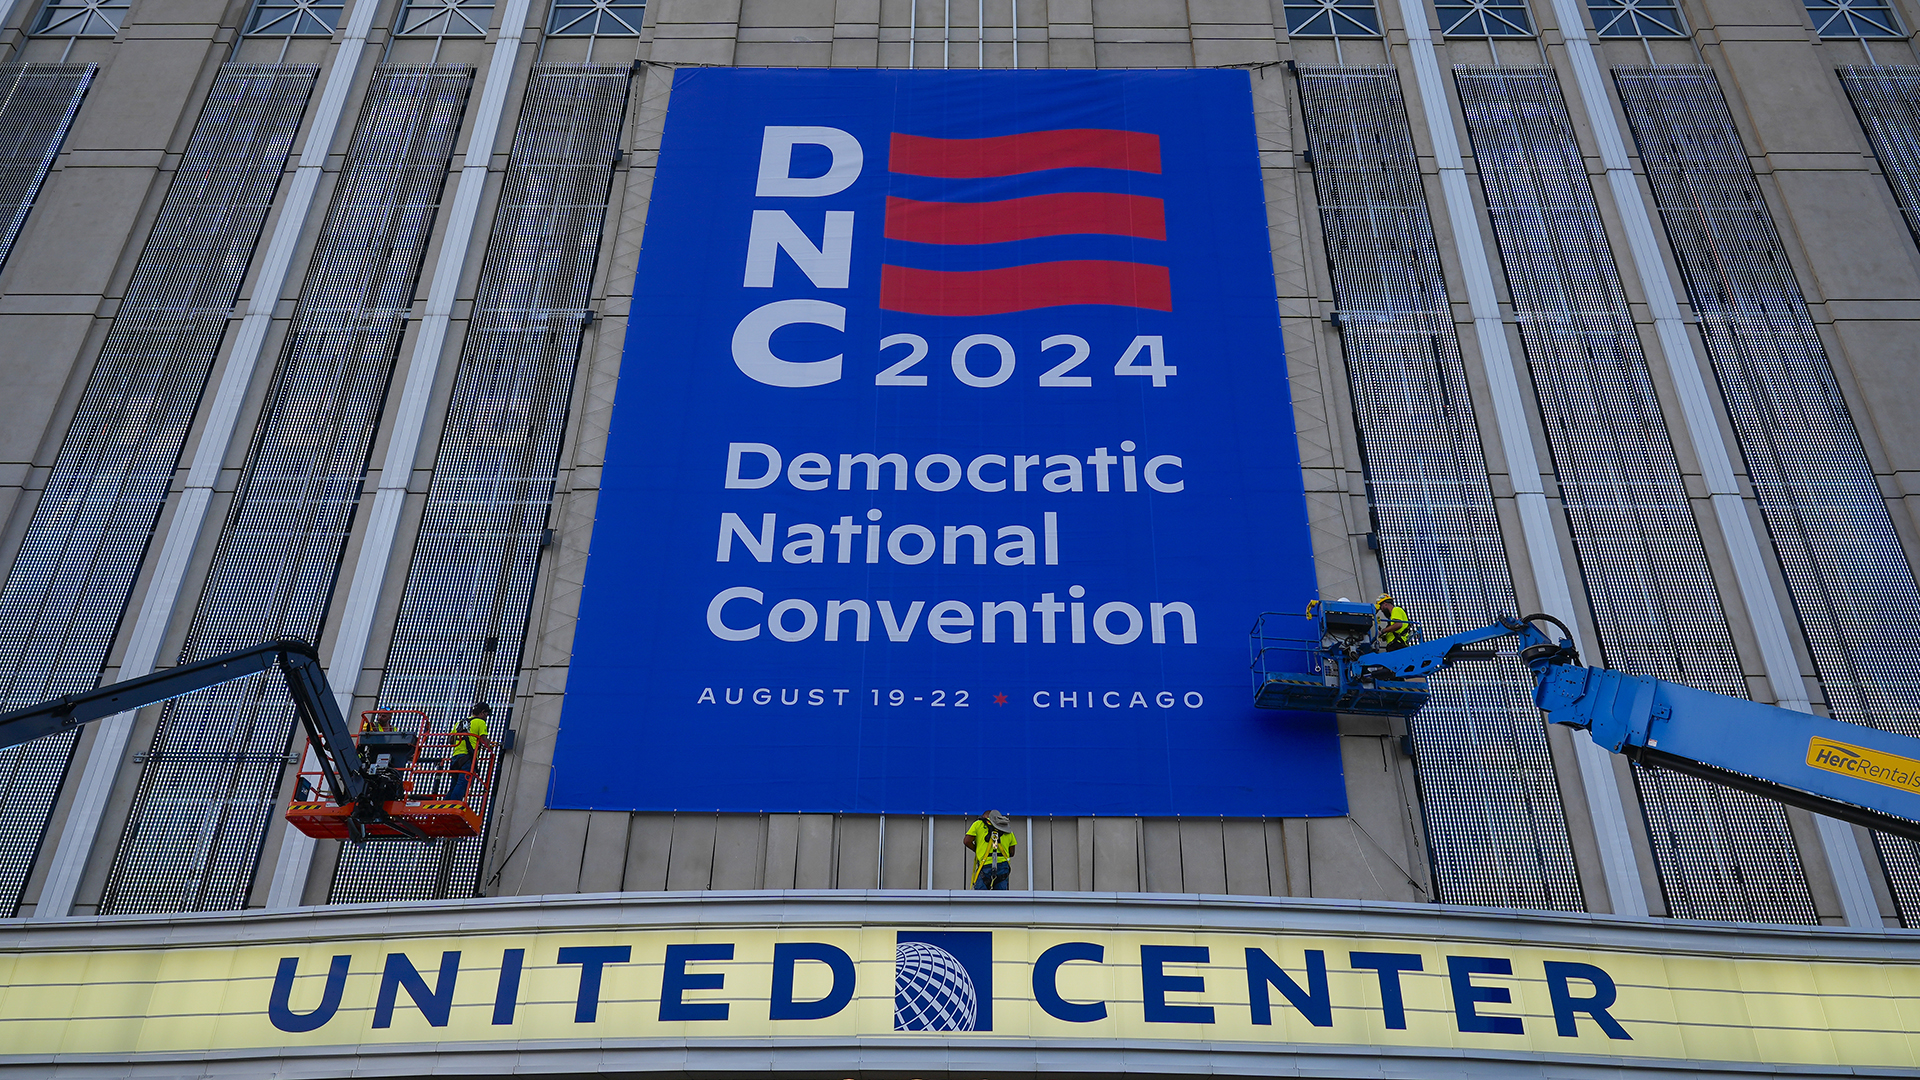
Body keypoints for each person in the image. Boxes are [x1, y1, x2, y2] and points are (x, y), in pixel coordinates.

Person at [964, 810, 1017, 890]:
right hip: (1003, 865)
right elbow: (1012, 853)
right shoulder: (1006, 828)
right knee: (1001, 897)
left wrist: (978, 850)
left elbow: (967, 841)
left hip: (985, 863)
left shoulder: (978, 824)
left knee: (981, 896)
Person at [448, 702, 489, 801]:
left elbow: (450, 740)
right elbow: (484, 741)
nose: (487, 717)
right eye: (487, 714)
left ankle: (445, 804)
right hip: (468, 758)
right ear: (483, 712)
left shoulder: (460, 722)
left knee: (454, 784)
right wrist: (490, 745)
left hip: (455, 757)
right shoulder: (480, 722)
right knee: (462, 784)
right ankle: (453, 805)